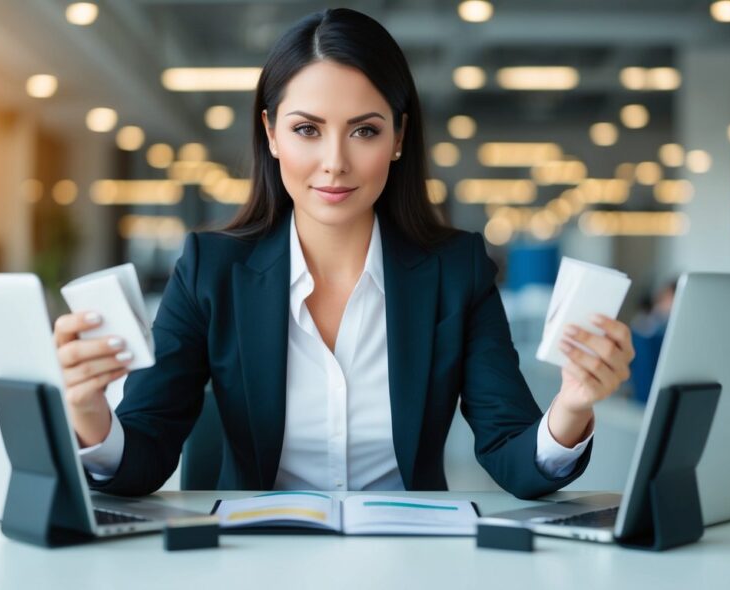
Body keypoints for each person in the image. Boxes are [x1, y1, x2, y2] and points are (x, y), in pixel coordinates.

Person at [54, 8, 634, 499]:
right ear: (271, 134)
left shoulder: (456, 271)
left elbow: (511, 452)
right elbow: (142, 456)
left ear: (399, 137)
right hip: (255, 564)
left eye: (364, 131)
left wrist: (573, 407)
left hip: (407, 563)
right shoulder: (212, 269)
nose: (335, 161)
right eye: (307, 129)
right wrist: (87, 413)